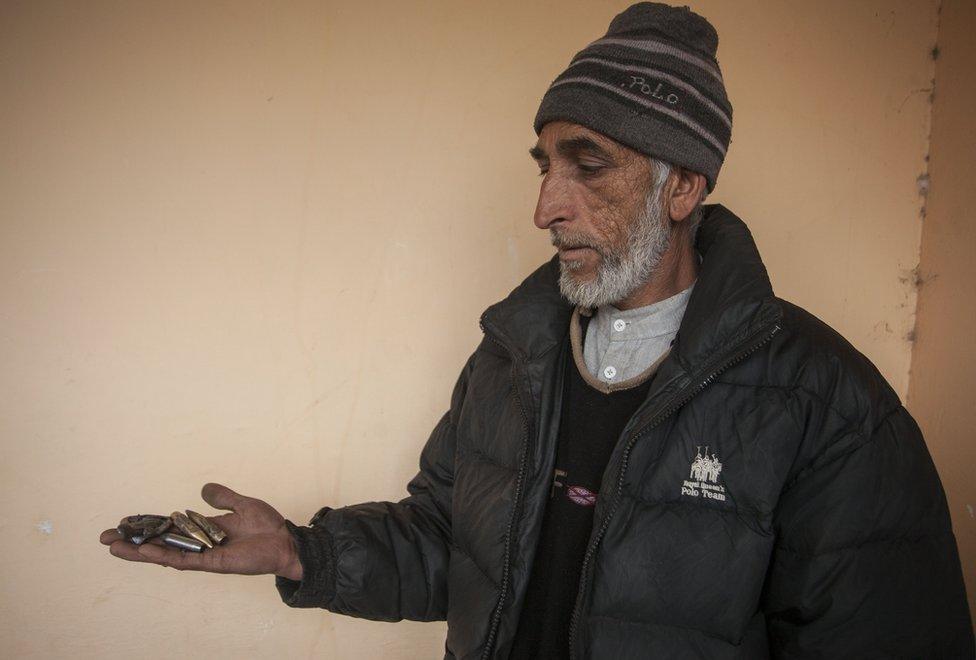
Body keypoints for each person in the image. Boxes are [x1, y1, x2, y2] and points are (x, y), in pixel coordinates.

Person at [101, 3, 974, 658]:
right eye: (546, 164)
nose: (546, 206)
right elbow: (458, 544)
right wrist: (303, 552)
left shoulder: (827, 405)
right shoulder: (514, 354)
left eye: (588, 165)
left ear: (683, 188)